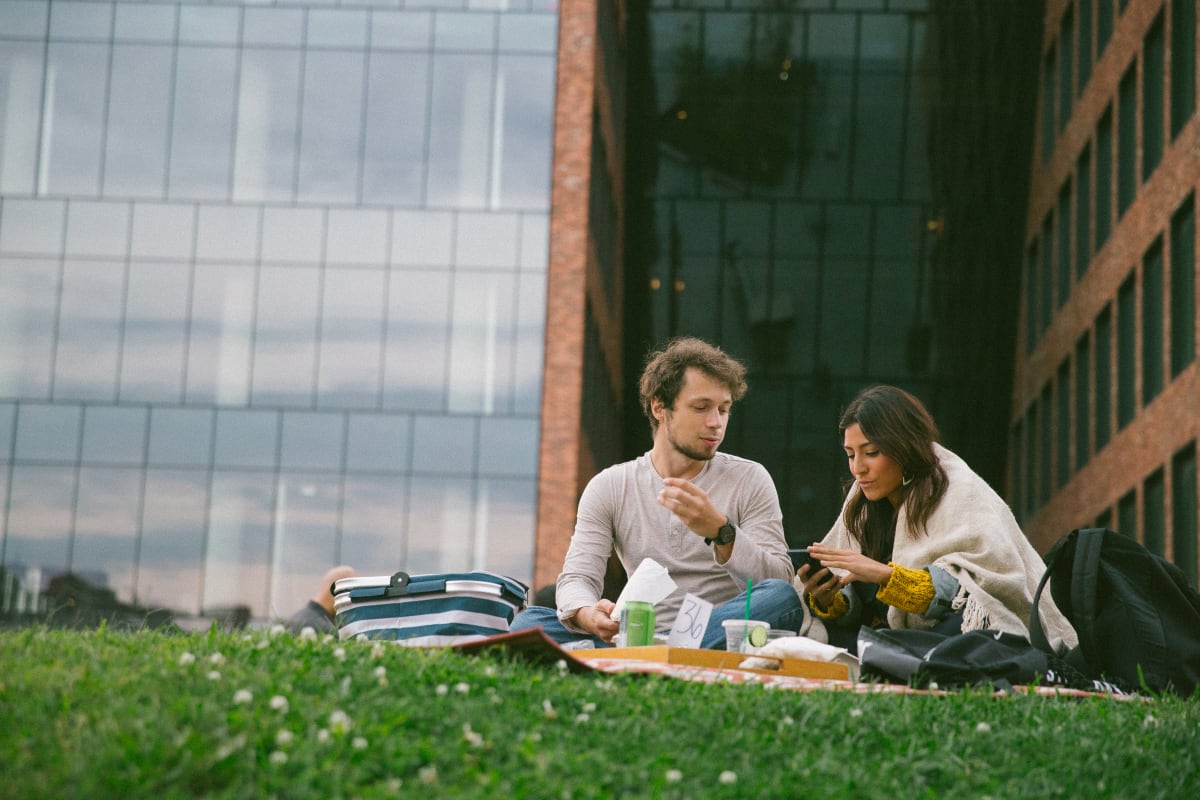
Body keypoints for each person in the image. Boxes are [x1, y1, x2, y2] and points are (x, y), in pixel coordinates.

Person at [511, 337, 805, 649]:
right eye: (701, 407)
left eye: (724, 409)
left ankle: (665, 655)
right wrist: (587, 614)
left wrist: (723, 533)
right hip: (636, 633)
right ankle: (659, 655)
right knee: (529, 622)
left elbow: (779, 580)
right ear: (659, 407)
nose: (716, 423)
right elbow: (576, 579)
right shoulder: (611, 485)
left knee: (781, 598)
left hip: (715, 630)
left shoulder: (750, 478)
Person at [797, 385, 1077, 654]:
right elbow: (858, 609)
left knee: (967, 633)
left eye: (871, 453)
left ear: (903, 446)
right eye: (850, 455)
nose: (858, 468)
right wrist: (829, 599)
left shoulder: (959, 488)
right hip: (895, 637)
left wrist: (883, 575)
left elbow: (974, 596)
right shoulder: (862, 500)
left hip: (965, 629)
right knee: (813, 630)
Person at [285, 565, 356, 635]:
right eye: (349, 593)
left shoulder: (297, 618)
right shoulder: (324, 630)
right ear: (337, 589)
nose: (351, 601)